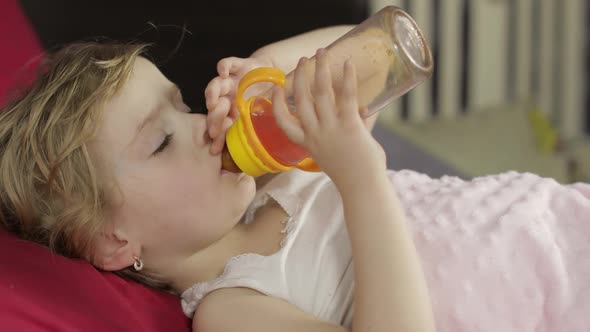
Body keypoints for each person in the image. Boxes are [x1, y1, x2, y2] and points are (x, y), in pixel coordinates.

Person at [0, 25, 588, 332]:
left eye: (182, 105)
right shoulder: (232, 307)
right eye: (161, 140)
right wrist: (360, 176)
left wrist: (269, 70)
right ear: (114, 241)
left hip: (562, 228)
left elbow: (379, 54)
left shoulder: (274, 176)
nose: (204, 125)